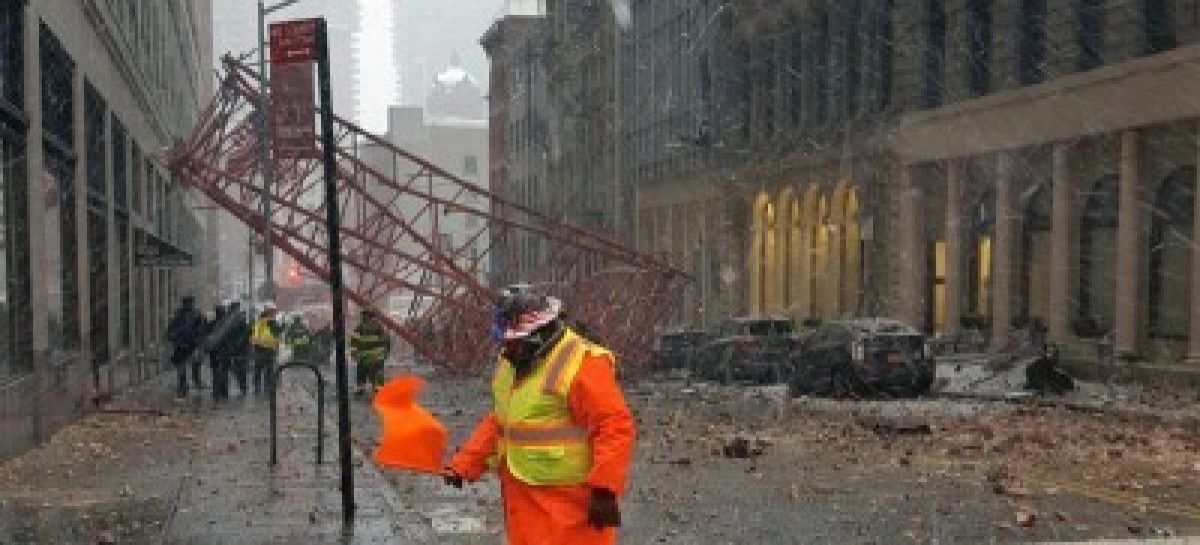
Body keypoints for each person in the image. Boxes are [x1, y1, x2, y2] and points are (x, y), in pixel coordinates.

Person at [443, 284, 636, 545]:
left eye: (514, 342)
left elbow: (614, 426)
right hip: (524, 501)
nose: (507, 350)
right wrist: (465, 464)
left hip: (570, 506)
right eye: (505, 342)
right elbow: (502, 421)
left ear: (539, 334)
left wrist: (605, 490)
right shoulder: (512, 362)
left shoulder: (582, 362)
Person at [166, 296, 207, 398]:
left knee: (181, 367)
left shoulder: (178, 314)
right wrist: (198, 343)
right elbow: (202, 331)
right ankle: (195, 382)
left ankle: (183, 386)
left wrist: (174, 337)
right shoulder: (198, 314)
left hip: (181, 346)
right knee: (194, 365)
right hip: (192, 346)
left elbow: (169, 330)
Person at [351, 308, 391, 398]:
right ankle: (375, 393)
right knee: (374, 375)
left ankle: (367, 392)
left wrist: (354, 353)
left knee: (365, 374)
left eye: (363, 316)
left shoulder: (361, 328)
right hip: (373, 358)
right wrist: (385, 354)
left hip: (369, 357)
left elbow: (354, 341)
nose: (362, 318)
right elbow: (387, 342)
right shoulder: (378, 328)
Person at [250, 303, 283, 395]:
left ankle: (259, 389)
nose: (274, 314)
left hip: (262, 350)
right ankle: (265, 390)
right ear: (268, 312)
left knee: (261, 370)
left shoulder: (260, 322)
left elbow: (253, 336)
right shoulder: (268, 323)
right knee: (266, 371)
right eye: (273, 312)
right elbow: (278, 337)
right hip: (266, 350)